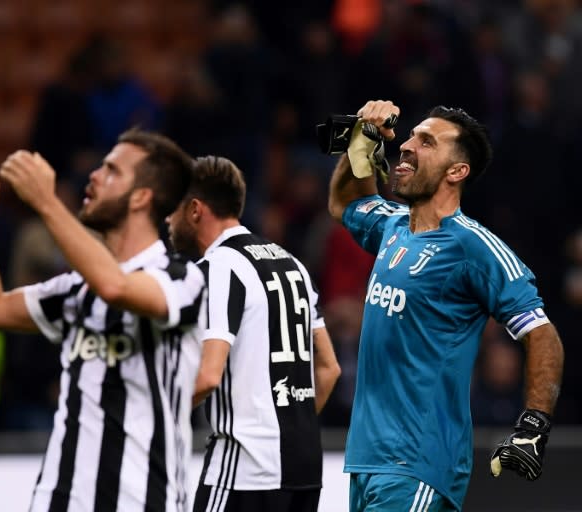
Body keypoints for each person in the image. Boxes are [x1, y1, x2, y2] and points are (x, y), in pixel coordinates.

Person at [327, 100, 564, 511]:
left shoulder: (474, 247)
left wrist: (533, 425)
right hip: (367, 458)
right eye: (410, 136)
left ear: (457, 171)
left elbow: (542, 333)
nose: (407, 146)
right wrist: (361, 140)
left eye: (426, 142)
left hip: (419, 460)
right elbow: (344, 203)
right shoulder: (392, 225)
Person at [0, 129, 204, 512]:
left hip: (142, 502)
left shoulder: (182, 278)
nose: (95, 176)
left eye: (112, 170)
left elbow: (116, 287)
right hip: (60, 500)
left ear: (141, 197)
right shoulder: (76, 291)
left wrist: (47, 202)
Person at [168, 155, 341, 512]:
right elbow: (329, 369)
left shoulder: (218, 267)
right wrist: (288, 429)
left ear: (195, 209)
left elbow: (208, 375)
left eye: (172, 209)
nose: (167, 221)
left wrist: (152, 421)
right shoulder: (292, 263)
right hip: (304, 466)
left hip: (245, 469)